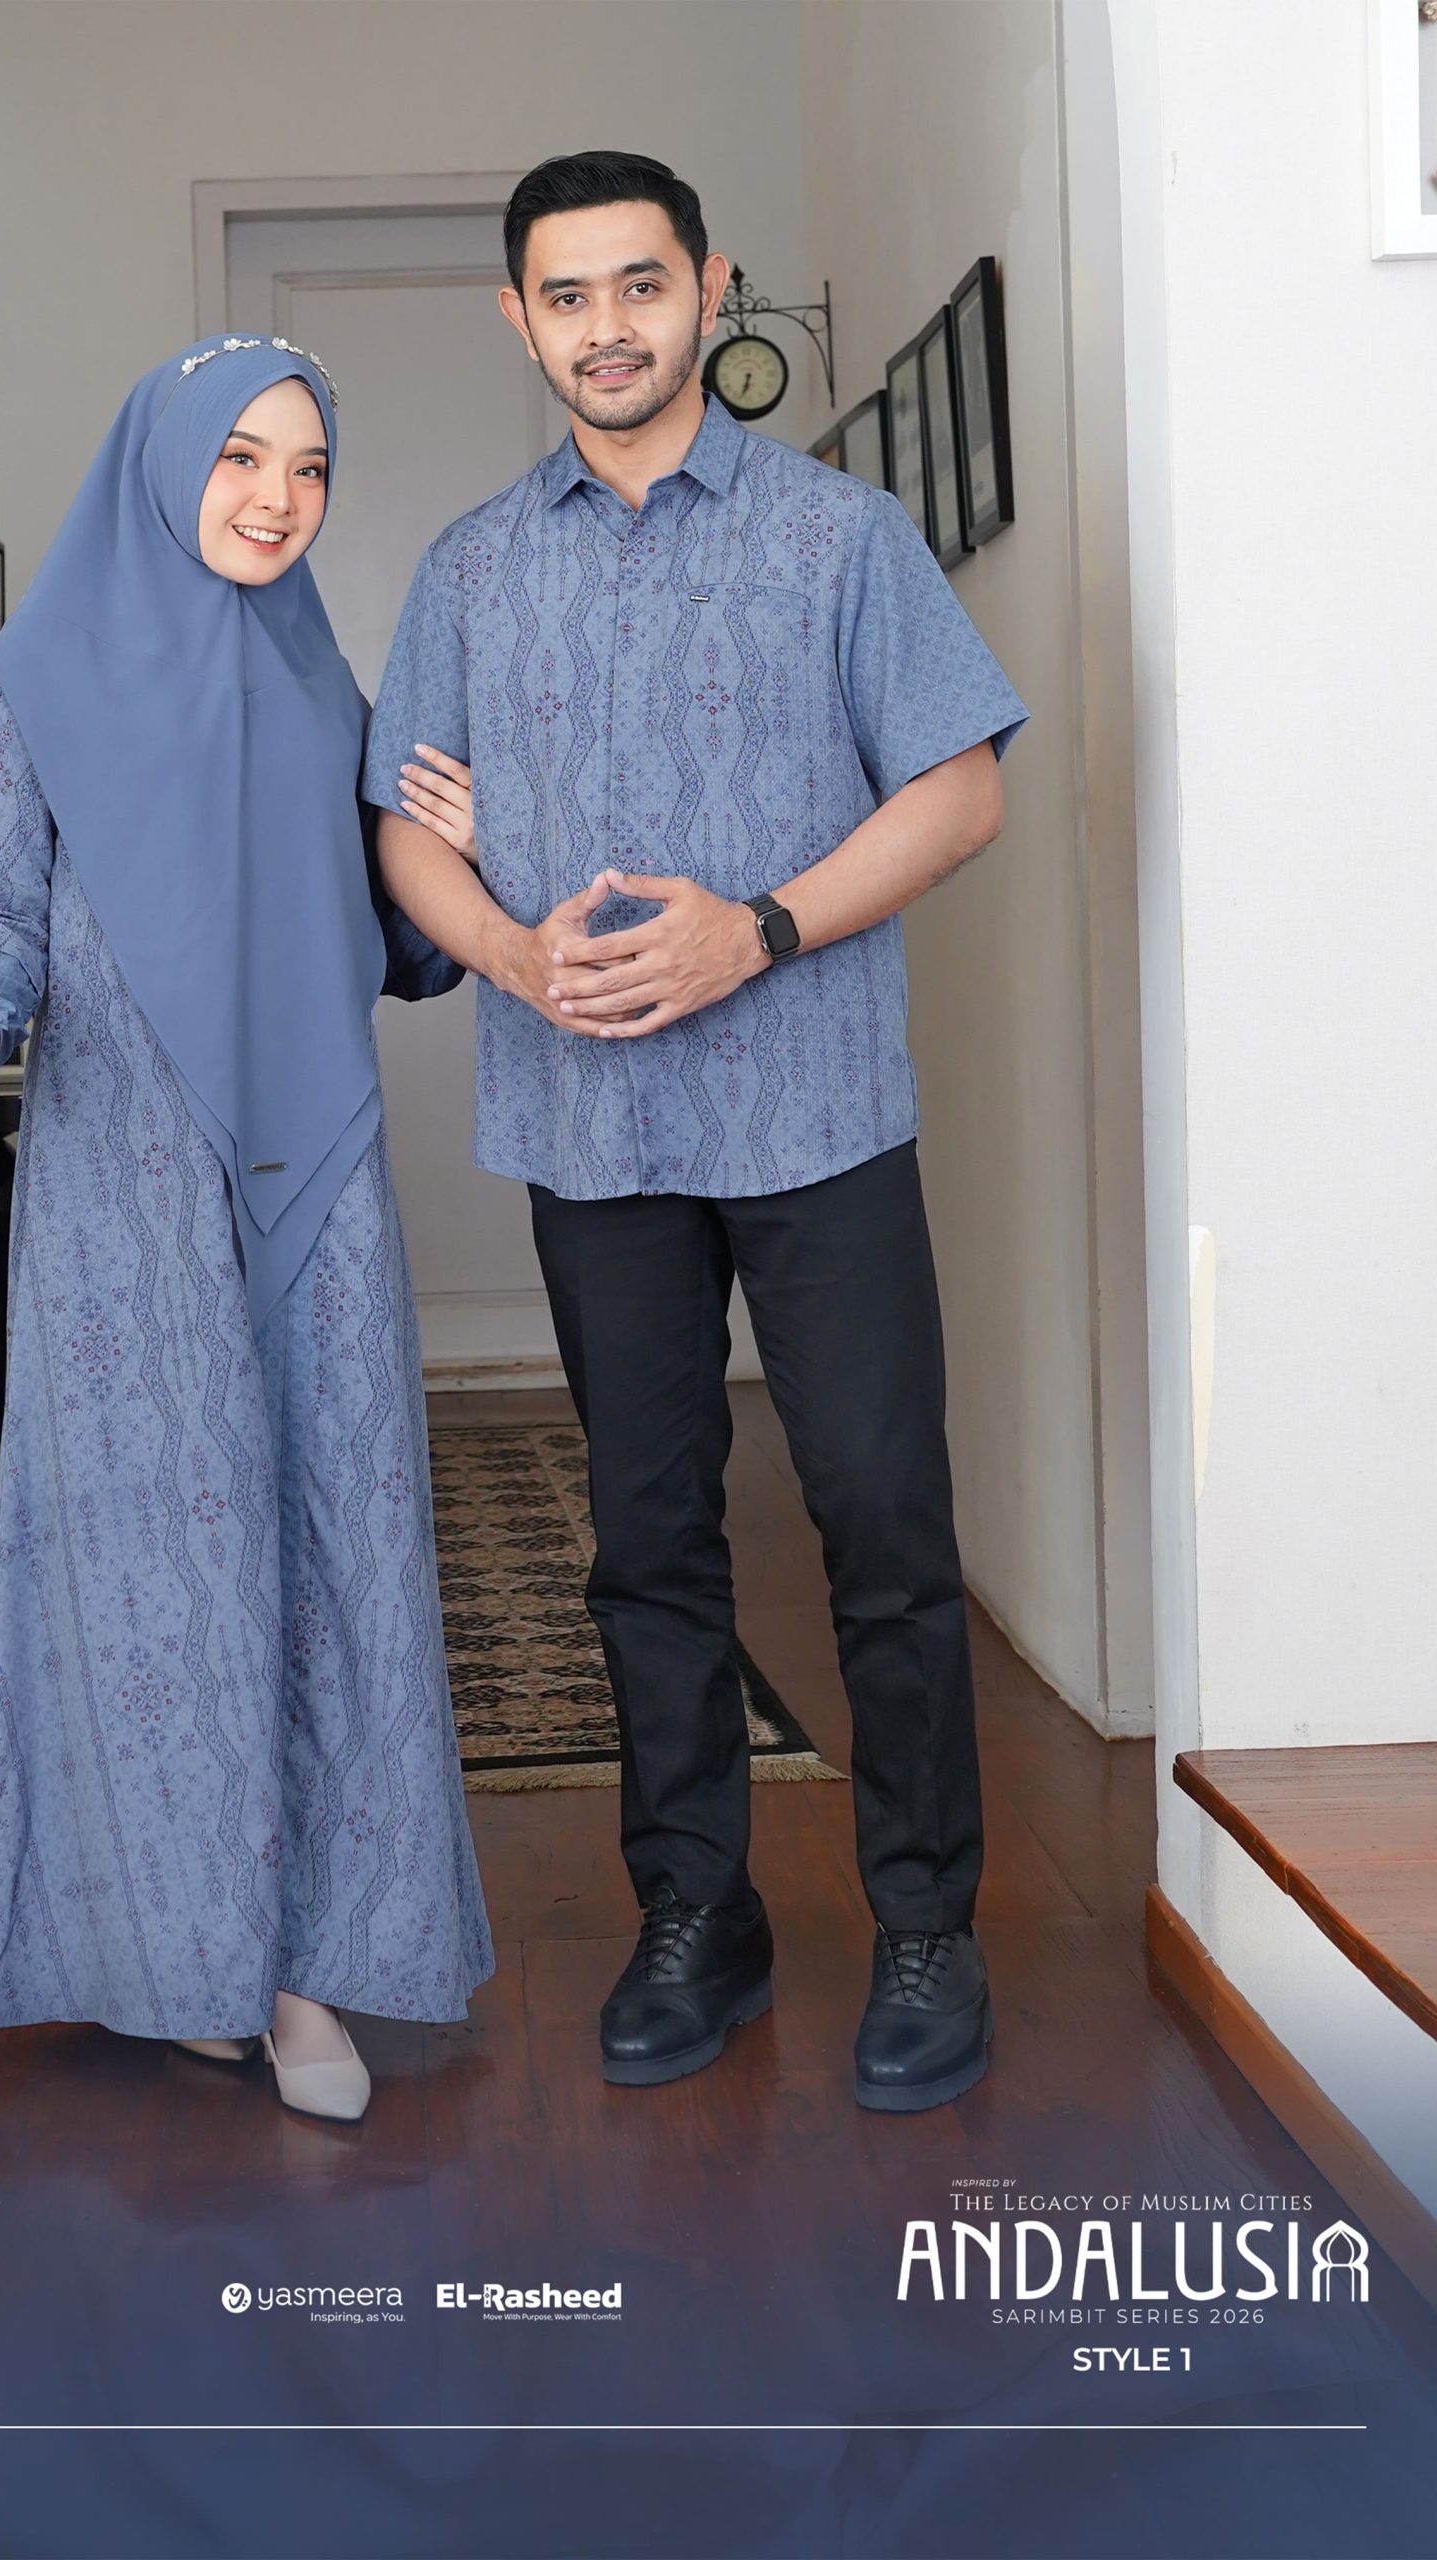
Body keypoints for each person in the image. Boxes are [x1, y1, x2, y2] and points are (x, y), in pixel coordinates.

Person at [367, 152, 1028, 2113]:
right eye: (567, 296)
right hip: (594, 1134)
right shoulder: (469, 571)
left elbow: (961, 786)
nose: (608, 326)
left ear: (709, 288)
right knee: (646, 1540)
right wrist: (505, 949)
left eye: (640, 284)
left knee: (881, 1524)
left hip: (818, 1116)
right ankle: (696, 1916)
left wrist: (762, 930)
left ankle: (927, 1925)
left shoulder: (840, 537)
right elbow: (405, 825)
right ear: (519, 320)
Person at [0, 333, 495, 2123]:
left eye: (309, 469)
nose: (277, 499)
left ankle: (307, 1974)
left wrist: (453, 858)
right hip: (124, 1167)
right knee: (156, 1565)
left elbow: (387, 943)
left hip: (312, 1164)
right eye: (242, 457)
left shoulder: (320, 680)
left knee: (332, 1541)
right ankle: (183, 1961)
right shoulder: (40, 676)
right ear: (166, 462)